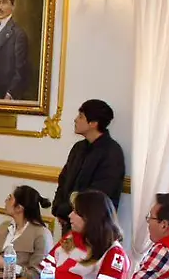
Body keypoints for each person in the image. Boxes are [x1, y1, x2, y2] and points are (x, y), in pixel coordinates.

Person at [50, 99, 126, 234]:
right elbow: (64, 180)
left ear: (93, 123)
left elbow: (99, 194)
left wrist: (67, 211)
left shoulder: (112, 152)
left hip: (94, 227)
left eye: (80, 116)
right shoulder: (78, 148)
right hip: (70, 221)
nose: (75, 120)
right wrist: (58, 209)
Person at [40, 189, 129, 279]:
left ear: (91, 217)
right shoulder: (69, 238)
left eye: (76, 212)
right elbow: (44, 272)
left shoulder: (114, 253)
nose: (70, 215)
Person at [0, 185, 54, 279]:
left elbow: (37, 276)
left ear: (19, 208)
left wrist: (7, 265)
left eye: (9, 198)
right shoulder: (5, 226)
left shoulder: (42, 234)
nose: (5, 201)